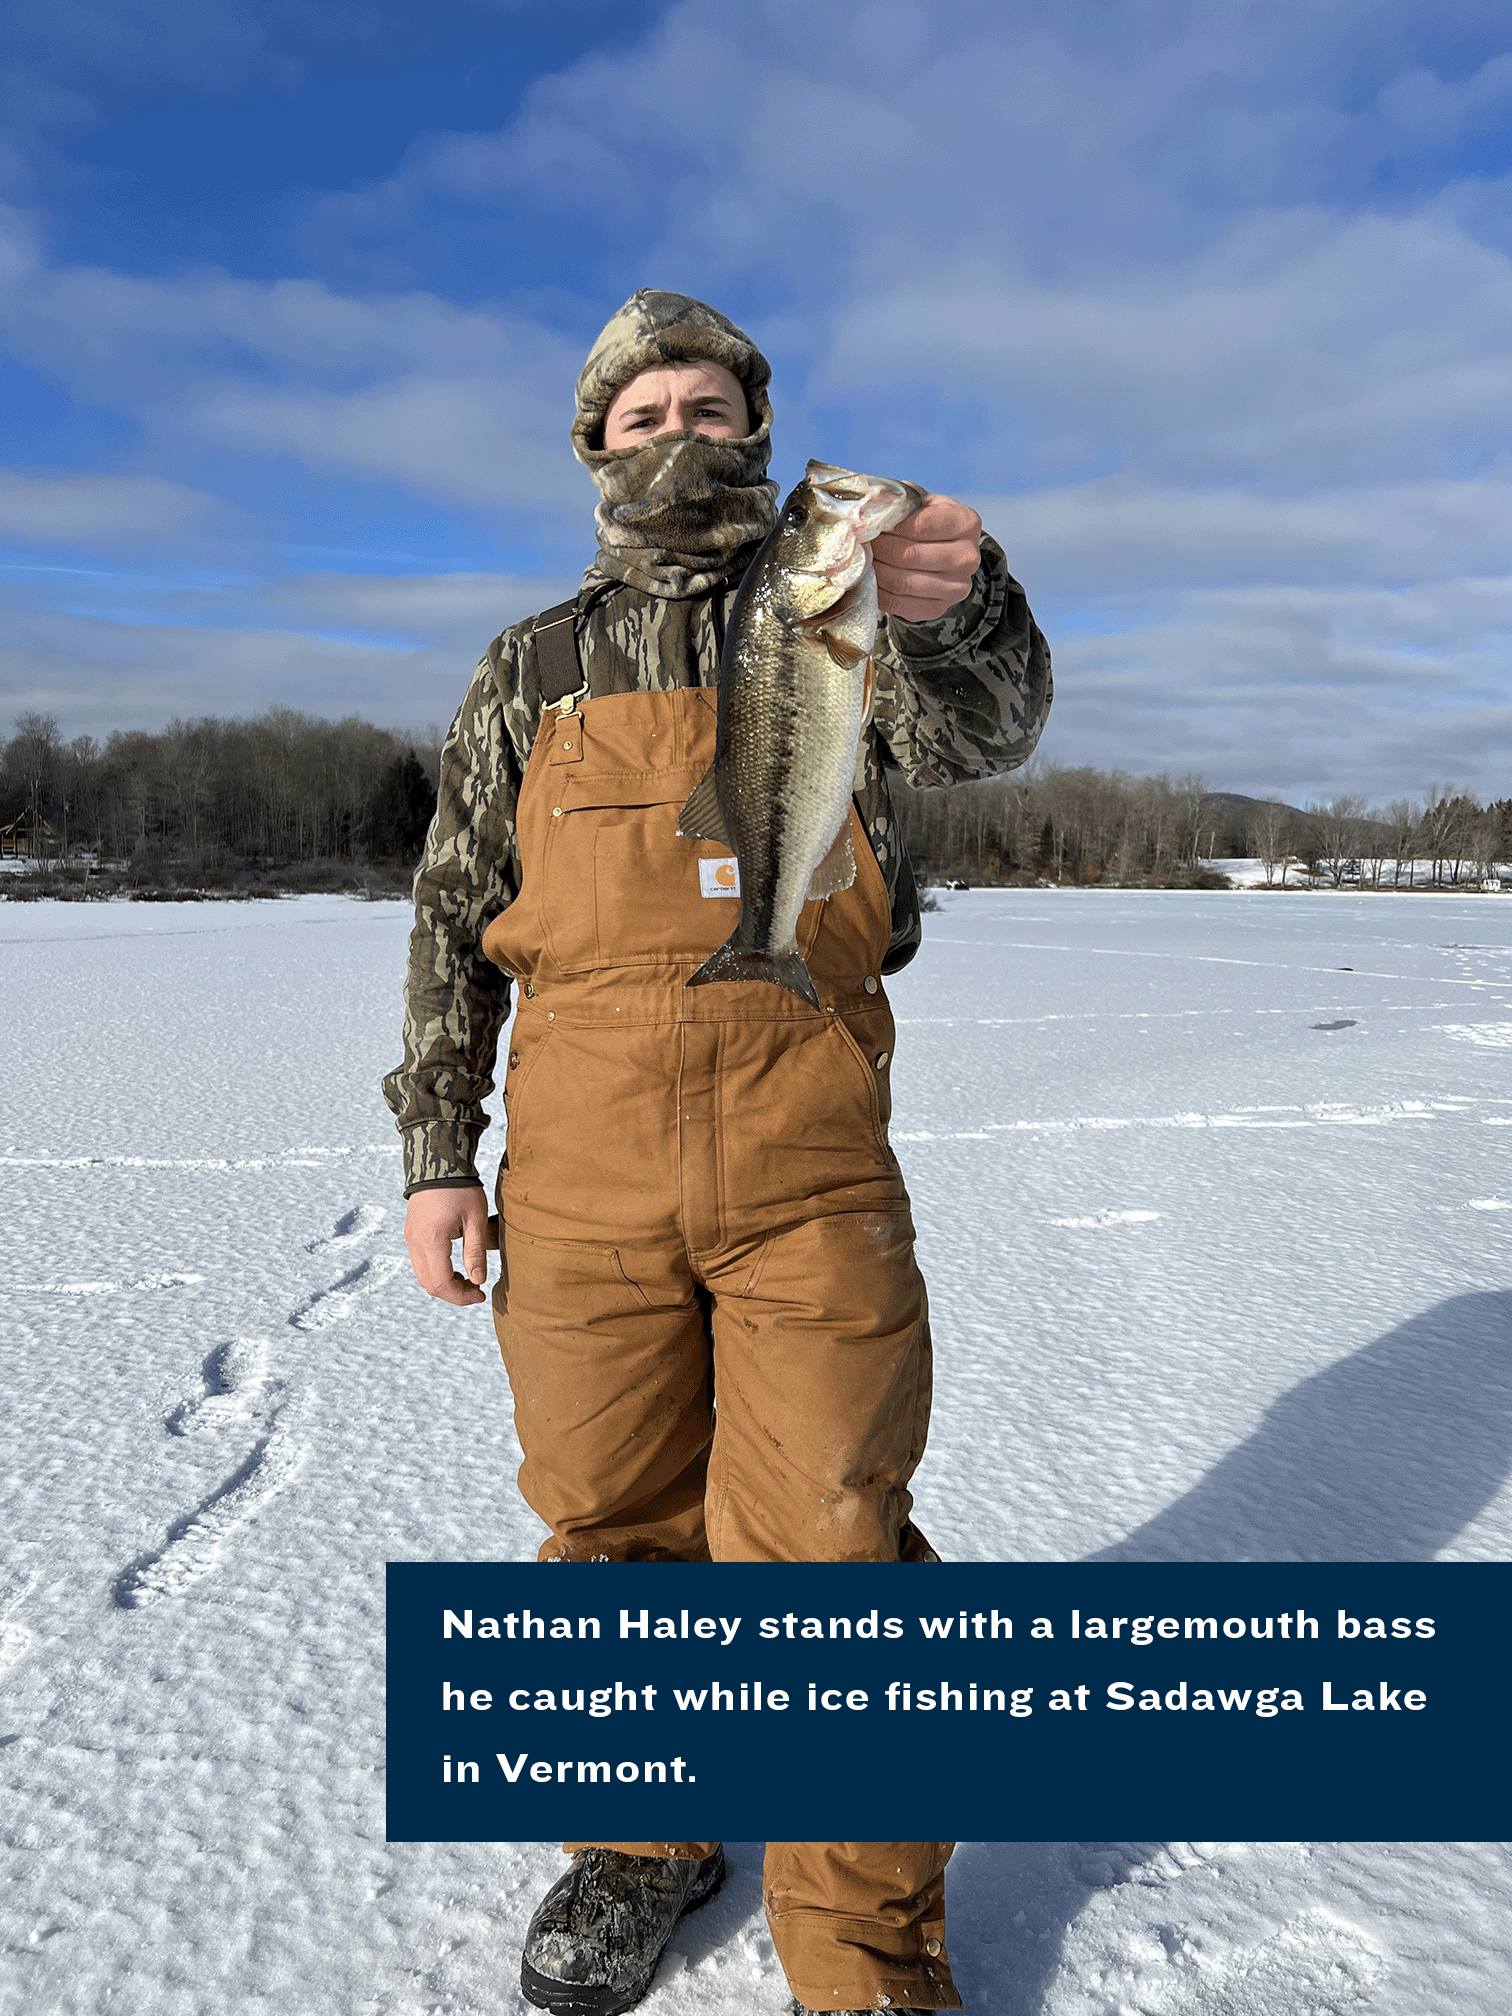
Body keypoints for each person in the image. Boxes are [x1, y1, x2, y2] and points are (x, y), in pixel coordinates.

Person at [383, 290, 1051, 2016]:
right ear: (596, 445)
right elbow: (454, 912)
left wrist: (965, 604)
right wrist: (438, 1149)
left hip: (806, 1159)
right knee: (608, 1528)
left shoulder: (837, 608)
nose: (678, 428)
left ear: (757, 435)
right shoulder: (527, 665)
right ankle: (644, 1842)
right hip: (581, 1175)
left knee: (833, 1537)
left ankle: (865, 1951)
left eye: (711, 404)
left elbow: (986, 733)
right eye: (642, 409)